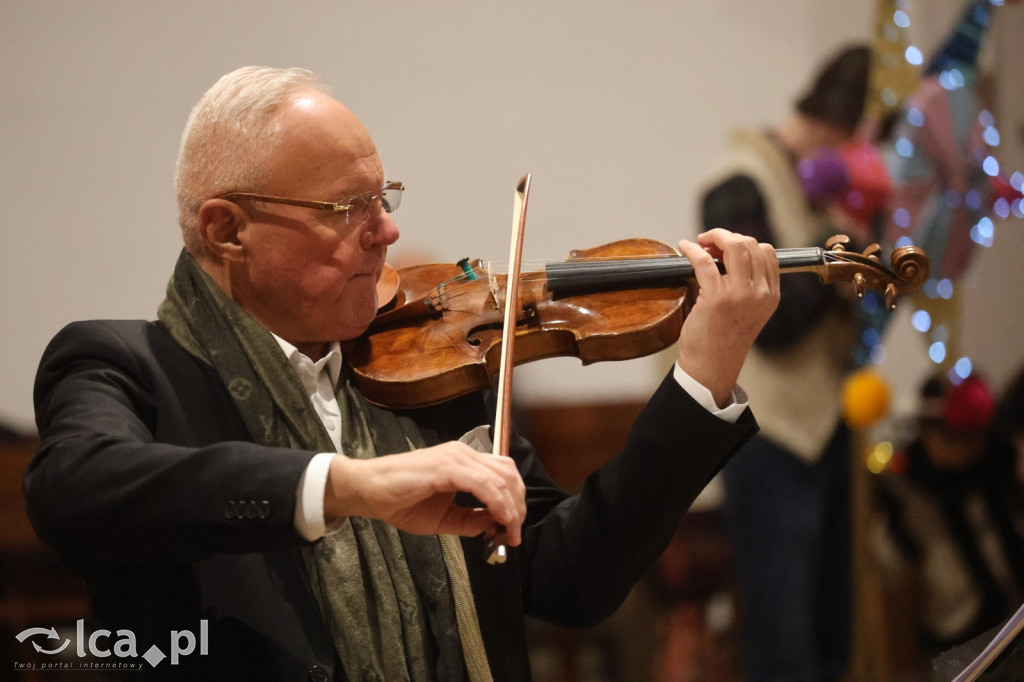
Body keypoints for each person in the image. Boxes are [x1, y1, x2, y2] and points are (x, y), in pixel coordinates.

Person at [24, 66, 780, 681]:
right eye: (347, 208)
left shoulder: (426, 372)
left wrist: (700, 380)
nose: (386, 232)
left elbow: (568, 578)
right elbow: (77, 487)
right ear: (228, 230)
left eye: (383, 198)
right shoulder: (122, 366)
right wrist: (349, 484)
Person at [697, 45, 874, 681]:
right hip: (769, 438)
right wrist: (840, 250)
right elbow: (766, 326)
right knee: (784, 641)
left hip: (826, 430)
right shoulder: (738, 184)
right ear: (840, 124)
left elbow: (847, 322)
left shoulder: (820, 198)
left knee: (832, 635)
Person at [872, 373, 1024, 662]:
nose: (965, 449)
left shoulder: (996, 472)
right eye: (953, 439)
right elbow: (887, 566)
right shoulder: (910, 490)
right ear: (926, 434)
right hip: (958, 633)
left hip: (1014, 618)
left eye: (974, 438)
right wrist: (897, 528)